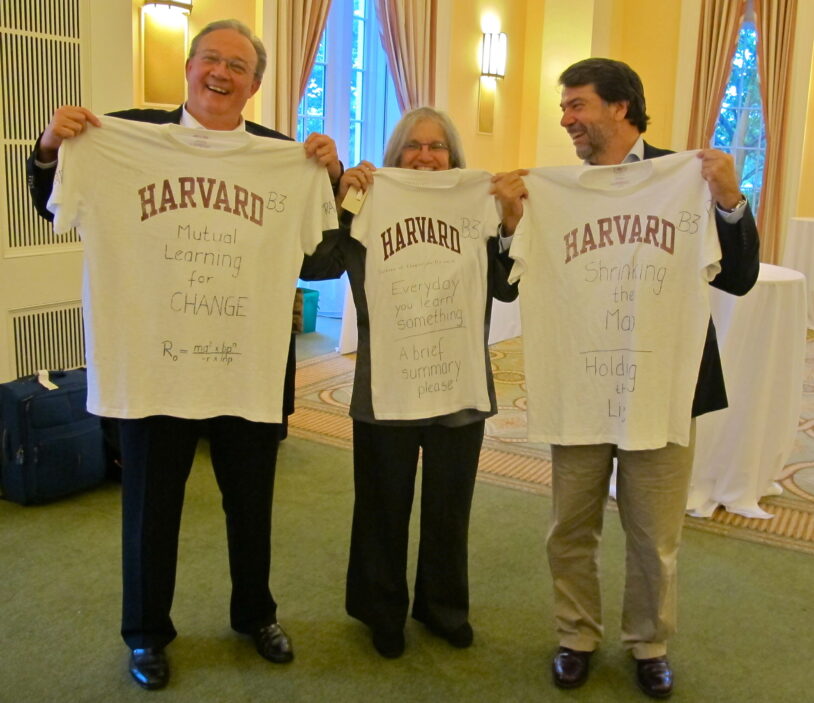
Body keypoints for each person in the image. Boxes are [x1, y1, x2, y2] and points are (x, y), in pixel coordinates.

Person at [26, 19, 342, 690]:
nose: (220, 74)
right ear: (189, 67)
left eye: (237, 66)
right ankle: (145, 633)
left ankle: (255, 613)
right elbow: (49, 199)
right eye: (210, 60)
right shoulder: (126, 135)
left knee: (251, 500)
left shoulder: (283, 155)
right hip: (154, 363)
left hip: (246, 364)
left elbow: (318, 259)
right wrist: (53, 144)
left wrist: (331, 178)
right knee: (150, 504)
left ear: (255, 85)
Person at [512, 58, 759, 699]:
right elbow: (517, 283)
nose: (566, 119)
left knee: (654, 533)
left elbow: (736, 277)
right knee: (570, 524)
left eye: (577, 105)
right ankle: (575, 636)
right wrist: (513, 215)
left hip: (664, 384)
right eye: (564, 107)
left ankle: (650, 643)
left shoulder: (688, 178)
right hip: (582, 382)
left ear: (620, 108)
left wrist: (729, 200)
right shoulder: (558, 190)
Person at [306, 106, 525, 658]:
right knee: (382, 502)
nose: (425, 156)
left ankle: (443, 607)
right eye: (413, 146)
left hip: (459, 380)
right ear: (395, 154)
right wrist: (339, 201)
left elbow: (506, 289)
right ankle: (382, 611)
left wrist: (508, 221)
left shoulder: (476, 204)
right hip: (386, 384)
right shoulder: (369, 202)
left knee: (451, 506)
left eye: (437, 147)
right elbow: (317, 266)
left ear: (454, 157)